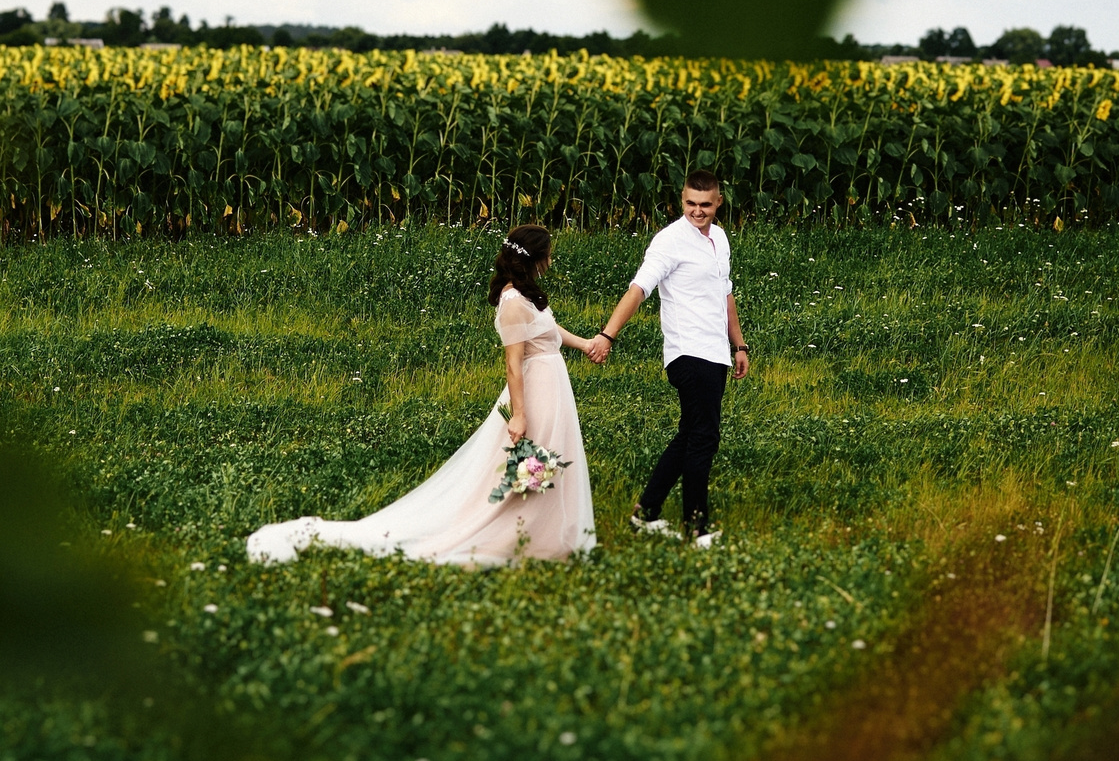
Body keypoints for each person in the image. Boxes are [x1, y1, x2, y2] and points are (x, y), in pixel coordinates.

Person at [246, 223, 600, 566]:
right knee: (533, 460)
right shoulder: (511, 302)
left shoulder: (526, 296)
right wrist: (520, 414)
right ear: (536, 257)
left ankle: (551, 531)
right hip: (534, 389)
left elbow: (547, 329)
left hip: (552, 385)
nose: (551, 261)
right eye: (549, 255)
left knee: (553, 454)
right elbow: (512, 363)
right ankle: (523, 533)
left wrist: (584, 343)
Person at [586, 169, 748, 546]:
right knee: (704, 438)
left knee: (690, 434)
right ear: (681, 200)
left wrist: (738, 346)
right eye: (690, 203)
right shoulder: (669, 241)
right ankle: (697, 529)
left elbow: (725, 295)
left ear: (718, 202)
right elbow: (638, 289)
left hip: (715, 352)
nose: (697, 211)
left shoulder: (720, 239)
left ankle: (646, 513)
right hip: (687, 353)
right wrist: (608, 334)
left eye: (705, 205)